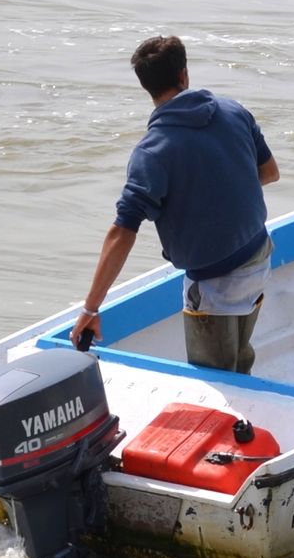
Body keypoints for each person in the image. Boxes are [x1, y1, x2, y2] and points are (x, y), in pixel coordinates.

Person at [74, 35, 280, 373]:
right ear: (184, 75)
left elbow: (122, 232)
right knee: (240, 355)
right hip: (259, 256)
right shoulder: (234, 111)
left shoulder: (151, 152)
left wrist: (91, 309)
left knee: (214, 376)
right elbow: (270, 173)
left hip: (213, 282)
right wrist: (222, 184)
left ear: (146, 87)